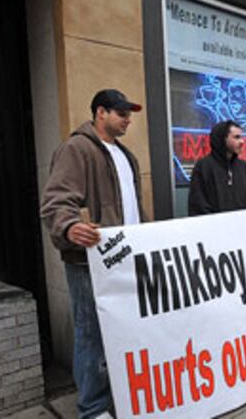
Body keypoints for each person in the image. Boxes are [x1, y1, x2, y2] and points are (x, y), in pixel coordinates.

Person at [41, 89, 146, 419]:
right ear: (101, 112)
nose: (128, 119)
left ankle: (116, 397)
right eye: (121, 113)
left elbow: (133, 209)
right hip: (88, 262)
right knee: (91, 334)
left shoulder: (127, 155)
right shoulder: (76, 148)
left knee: (121, 331)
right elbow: (56, 201)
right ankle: (92, 408)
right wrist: (69, 227)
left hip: (125, 258)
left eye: (129, 114)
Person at [188, 120, 246, 215]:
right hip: (215, 228)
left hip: (243, 227)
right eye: (236, 137)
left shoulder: (244, 167)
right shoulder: (203, 167)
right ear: (223, 139)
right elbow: (198, 206)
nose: (242, 141)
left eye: (241, 137)